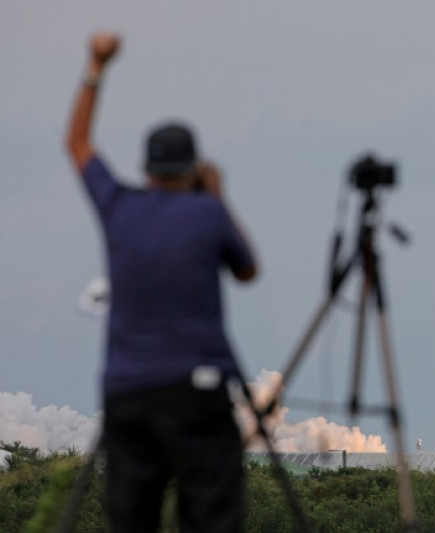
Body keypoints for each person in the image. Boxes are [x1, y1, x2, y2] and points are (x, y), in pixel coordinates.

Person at [66, 32, 257, 532]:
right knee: (212, 515)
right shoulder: (207, 214)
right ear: (194, 168)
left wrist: (95, 66)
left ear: (146, 167)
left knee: (132, 519)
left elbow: (78, 144)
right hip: (196, 389)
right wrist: (217, 196)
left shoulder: (119, 207)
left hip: (128, 392)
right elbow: (247, 270)